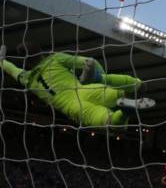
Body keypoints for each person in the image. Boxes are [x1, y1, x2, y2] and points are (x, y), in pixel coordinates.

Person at [0, 44, 154, 127]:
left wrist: (1, 61)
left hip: (71, 107)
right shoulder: (55, 59)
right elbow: (90, 62)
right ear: (41, 53)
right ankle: (134, 87)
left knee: (109, 122)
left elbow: (12, 70)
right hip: (84, 90)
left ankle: (125, 111)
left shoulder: (27, 79)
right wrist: (95, 77)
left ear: (27, 63)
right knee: (112, 90)